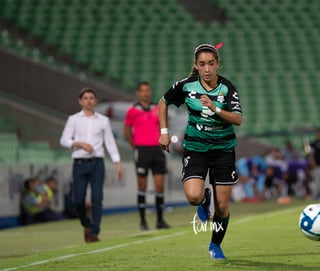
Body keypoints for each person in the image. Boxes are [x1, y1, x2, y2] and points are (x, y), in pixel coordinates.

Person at [158, 43, 242, 259]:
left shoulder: (227, 88)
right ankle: (204, 198)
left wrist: (215, 109)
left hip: (223, 150)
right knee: (194, 197)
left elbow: (238, 119)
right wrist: (164, 131)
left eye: (211, 64)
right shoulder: (186, 86)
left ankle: (215, 245)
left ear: (218, 64)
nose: (207, 69)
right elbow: (163, 102)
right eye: (202, 64)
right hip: (196, 148)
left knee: (222, 208)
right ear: (196, 65)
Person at [60, 87, 123, 243]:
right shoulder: (73, 119)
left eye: (91, 98)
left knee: (97, 198)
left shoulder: (103, 120)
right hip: (79, 162)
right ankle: (86, 224)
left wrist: (118, 162)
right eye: (85, 98)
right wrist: (79, 143)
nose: (88, 100)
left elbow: (110, 142)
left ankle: (94, 232)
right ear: (80, 101)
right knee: (78, 201)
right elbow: (64, 140)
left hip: (97, 163)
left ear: (95, 101)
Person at [124, 81, 170, 230]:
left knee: (159, 186)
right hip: (142, 151)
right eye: (142, 91)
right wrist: (134, 145)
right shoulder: (132, 111)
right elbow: (127, 130)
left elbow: (164, 126)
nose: (145, 93)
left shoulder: (158, 108)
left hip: (157, 150)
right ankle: (143, 221)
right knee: (142, 186)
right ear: (138, 93)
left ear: (150, 92)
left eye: (147, 90)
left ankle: (160, 220)